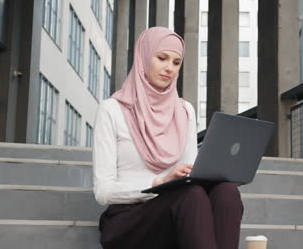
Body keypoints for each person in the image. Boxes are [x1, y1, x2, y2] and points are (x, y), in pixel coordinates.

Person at [93, 27, 243, 249]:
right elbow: (103, 191)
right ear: (144, 57)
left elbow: (192, 173)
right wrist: (159, 183)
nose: (169, 68)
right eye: (161, 58)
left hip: (182, 215)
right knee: (191, 195)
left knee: (226, 191)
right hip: (129, 219)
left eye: (176, 62)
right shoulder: (112, 110)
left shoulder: (184, 111)